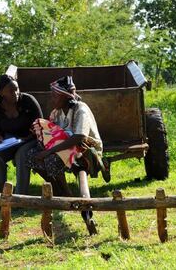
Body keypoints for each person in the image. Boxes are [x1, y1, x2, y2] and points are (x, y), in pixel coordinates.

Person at [27, 76, 107, 234]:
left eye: (55, 95)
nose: (52, 98)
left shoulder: (80, 109)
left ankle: (79, 206)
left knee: (50, 159)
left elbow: (79, 137)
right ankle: (63, 192)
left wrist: (49, 151)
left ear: (65, 96)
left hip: (86, 148)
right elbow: (54, 134)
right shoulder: (56, 113)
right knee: (31, 156)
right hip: (66, 148)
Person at [0, 74, 43, 195]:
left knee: (21, 154)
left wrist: (30, 134)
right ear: (1, 92)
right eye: (11, 91)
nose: (16, 93)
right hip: (11, 142)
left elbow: (41, 125)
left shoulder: (28, 101)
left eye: (17, 89)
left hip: (31, 140)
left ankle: (20, 196)